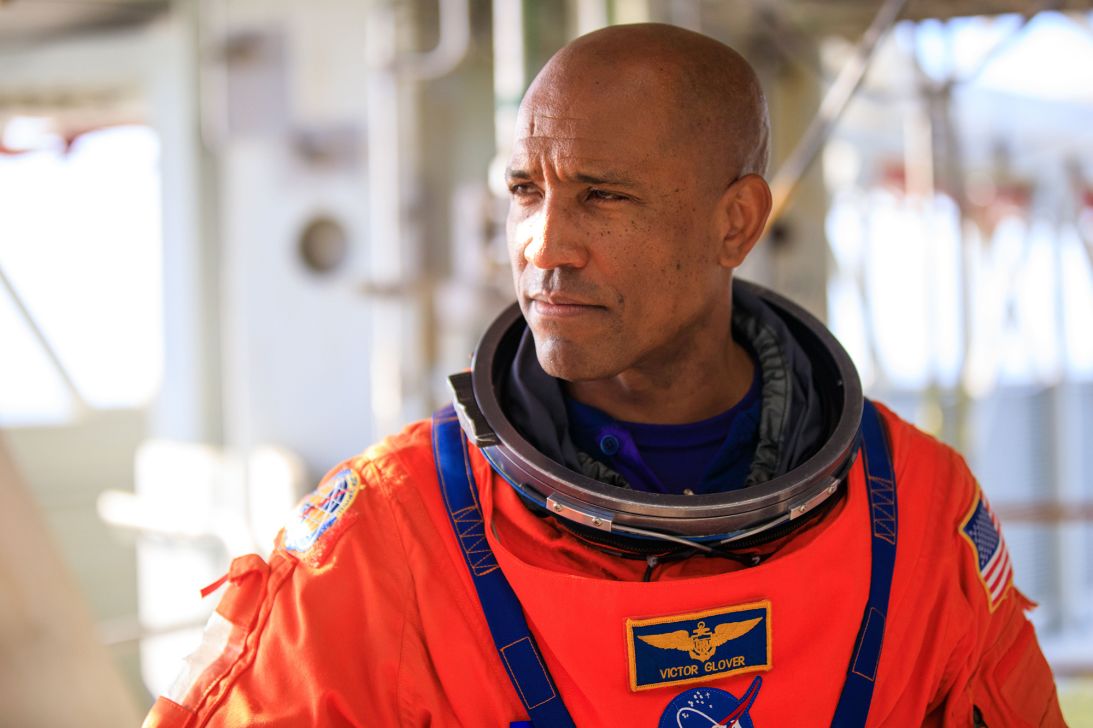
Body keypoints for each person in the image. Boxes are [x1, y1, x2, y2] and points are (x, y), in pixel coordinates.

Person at [144, 23, 1065, 728]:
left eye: (603, 196)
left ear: (735, 223)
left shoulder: (912, 512)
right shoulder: (386, 538)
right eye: (525, 191)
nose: (545, 246)